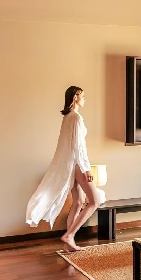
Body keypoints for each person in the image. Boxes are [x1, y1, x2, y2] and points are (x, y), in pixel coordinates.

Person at [26, 86, 105, 251]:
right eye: (83, 96)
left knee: (78, 202)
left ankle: (69, 244)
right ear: (75, 97)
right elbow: (78, 147)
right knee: (95, 201)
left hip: (70, 165)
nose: (84, 99)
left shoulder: (67, 117)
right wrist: (86, 169)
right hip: (77, 164)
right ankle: (69, 235)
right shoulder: (76, 117)